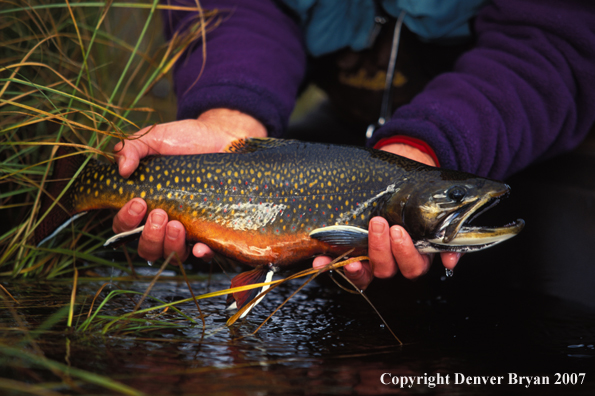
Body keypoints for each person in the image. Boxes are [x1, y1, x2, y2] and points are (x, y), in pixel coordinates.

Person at [111, 0, 595, 291]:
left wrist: (436, 144)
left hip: (503, 120)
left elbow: (556, 36)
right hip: (340, 125)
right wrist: (231, 114)